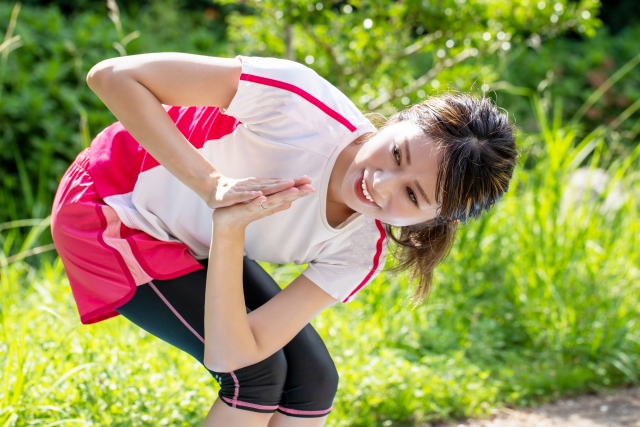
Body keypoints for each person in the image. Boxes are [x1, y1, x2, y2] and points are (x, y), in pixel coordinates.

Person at [50, 53, 517, 427]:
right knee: (253, 380)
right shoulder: (297, 105)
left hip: (195, 237)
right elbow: (112, 77)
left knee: (312, 381)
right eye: (396, 153)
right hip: (109, 208)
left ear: (434, 220)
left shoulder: (360, 249)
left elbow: (237, 346)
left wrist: (229, 229)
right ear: (399, 118)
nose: (380, 182)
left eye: (412, 195)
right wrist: (212, 186)